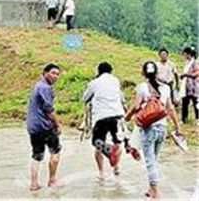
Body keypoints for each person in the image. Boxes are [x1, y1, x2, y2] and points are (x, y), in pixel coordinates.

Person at [125, 61, 182, 200]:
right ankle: (151, 189)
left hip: (148, 128)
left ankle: (156, 192)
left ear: (143, 73)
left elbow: (137, 106)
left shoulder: (142, 87)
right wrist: (178, 127)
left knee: (150, 161)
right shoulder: (166, 88)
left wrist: (127, 116)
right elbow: (170, 108)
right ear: (157, 72)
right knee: (154, 159)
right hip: (162, 127)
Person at [82, 62, 125, 180]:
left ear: (98, 71)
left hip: (101, 116)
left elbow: (85, 98)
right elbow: (122, 97)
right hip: (117, 115)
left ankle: (101, 172)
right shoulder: (115, 81)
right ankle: (116, 168)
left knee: (96, 143)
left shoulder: (94, 83)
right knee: (117, 143)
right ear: (111, 71)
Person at [26, 63, 62, 191]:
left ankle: (34, 184)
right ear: (45, 73)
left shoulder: (37, 86)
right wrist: (57, 124)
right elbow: (49, 110)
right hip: (45, 126)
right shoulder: (45, 88)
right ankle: (52, 181)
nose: (55, 76)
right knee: (56, 152)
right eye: (53, 73)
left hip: (33, 127)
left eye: (57, 74)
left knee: (37, 155)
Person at [180, 46, 199, 125]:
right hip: (186, 86)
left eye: (185, 54)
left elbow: (197, 73)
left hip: (193, 86)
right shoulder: (187, 63)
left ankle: (198, 119)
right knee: (185, 103)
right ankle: (184, 119)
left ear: (189, 54)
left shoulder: (194, 63)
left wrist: (186, 74)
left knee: (195, 103)